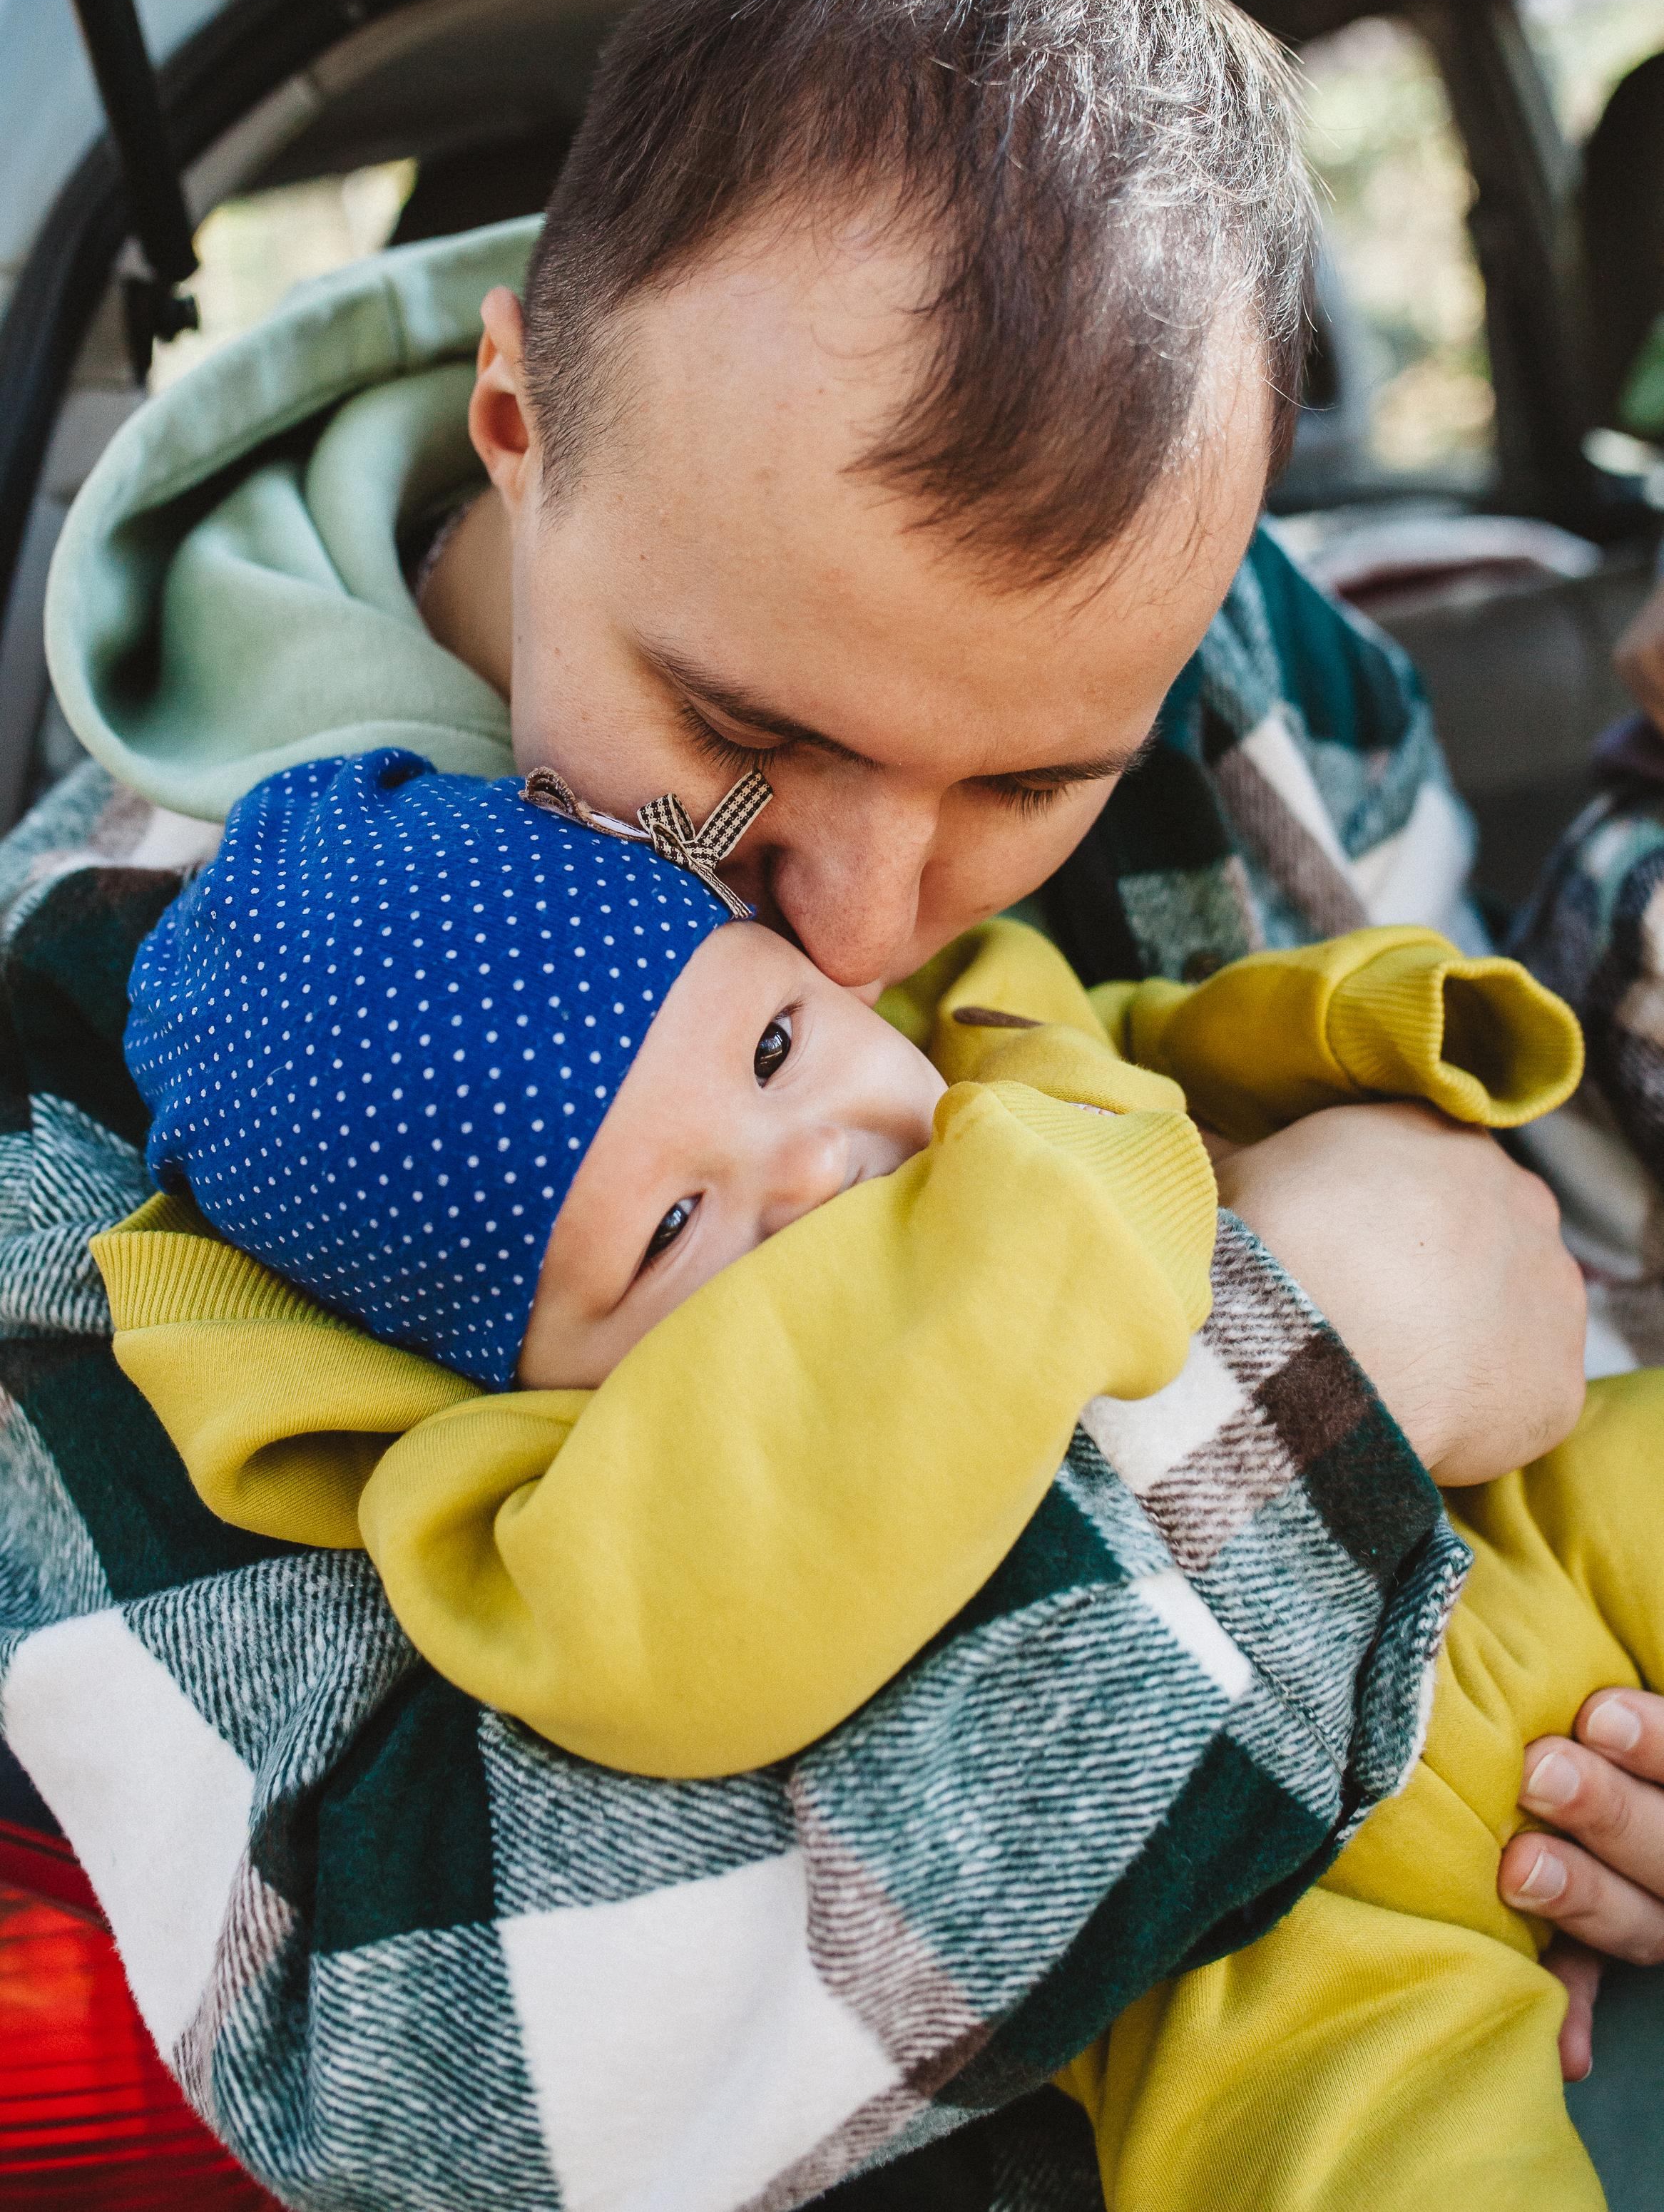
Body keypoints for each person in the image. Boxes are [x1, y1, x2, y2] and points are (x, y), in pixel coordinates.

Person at [3, 0, 1655, 2198]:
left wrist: (1576, 1740)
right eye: (737, 723)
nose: (867, 919)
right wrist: (1302, 1403)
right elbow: (409, 2072)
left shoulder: (1237, 649)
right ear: (516, 420)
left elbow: (1557, 1307)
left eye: (1028, 781)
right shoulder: (88, 1047)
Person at [94, 741, 1635, 2210]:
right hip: (1265, 1900)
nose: (812, 1164)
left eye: (773, 1044)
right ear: (521, 1374)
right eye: (670, 1228)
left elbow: (1156, 1049)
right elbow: (674, 1637)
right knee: (1357, 2143)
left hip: (1525, 1539)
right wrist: (1238, 1289)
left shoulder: (972, 1037)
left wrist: (1360, 1035)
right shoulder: (577, 1501)